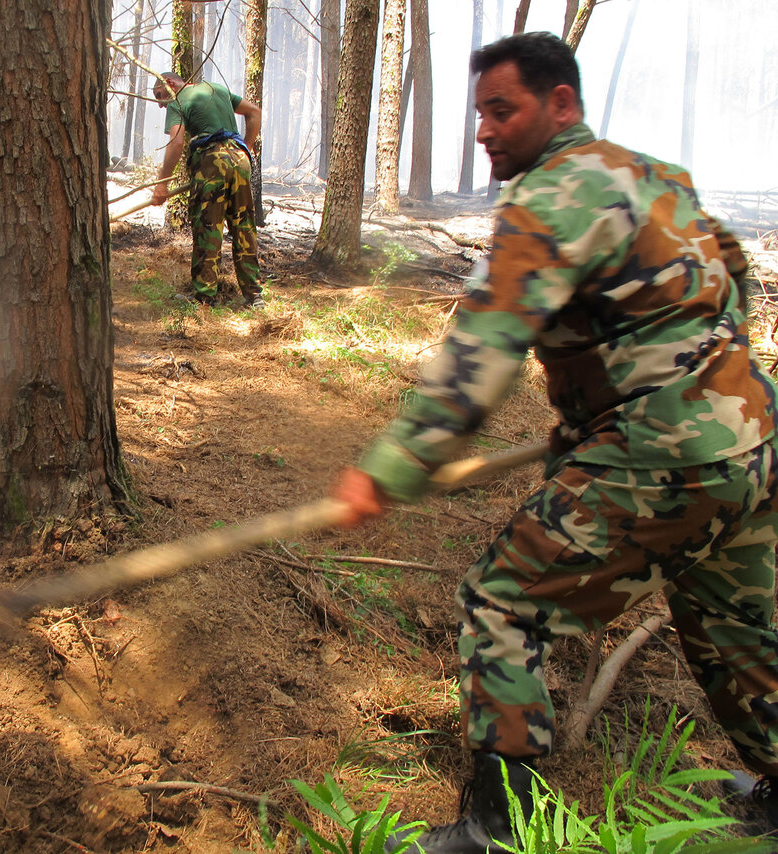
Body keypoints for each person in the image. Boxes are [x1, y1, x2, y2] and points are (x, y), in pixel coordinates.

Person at [331, 32, 778, 852]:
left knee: (502, 601)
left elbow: (479, 358)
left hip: (667, 453)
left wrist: (386, 470)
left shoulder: (549, 198)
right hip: (750, 441)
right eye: (480, 115)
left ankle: (499, 833)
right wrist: (614, 408)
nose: (484, 132)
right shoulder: (655, 175)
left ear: (560, 103)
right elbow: (735, 278)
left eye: (503, 111)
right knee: (734, 621)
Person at [151, 72, 264, 309]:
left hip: (210, 161)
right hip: (241, 159)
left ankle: (205, 297)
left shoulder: (177, 100)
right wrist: (246, 148)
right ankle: (254, 296)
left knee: (208, 227)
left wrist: (162, 185)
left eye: (160, 95)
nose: (162, 104)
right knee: (244, 226)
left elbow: (177, 142)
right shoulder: (215, 88)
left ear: (170, 84)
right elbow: (254, 112)